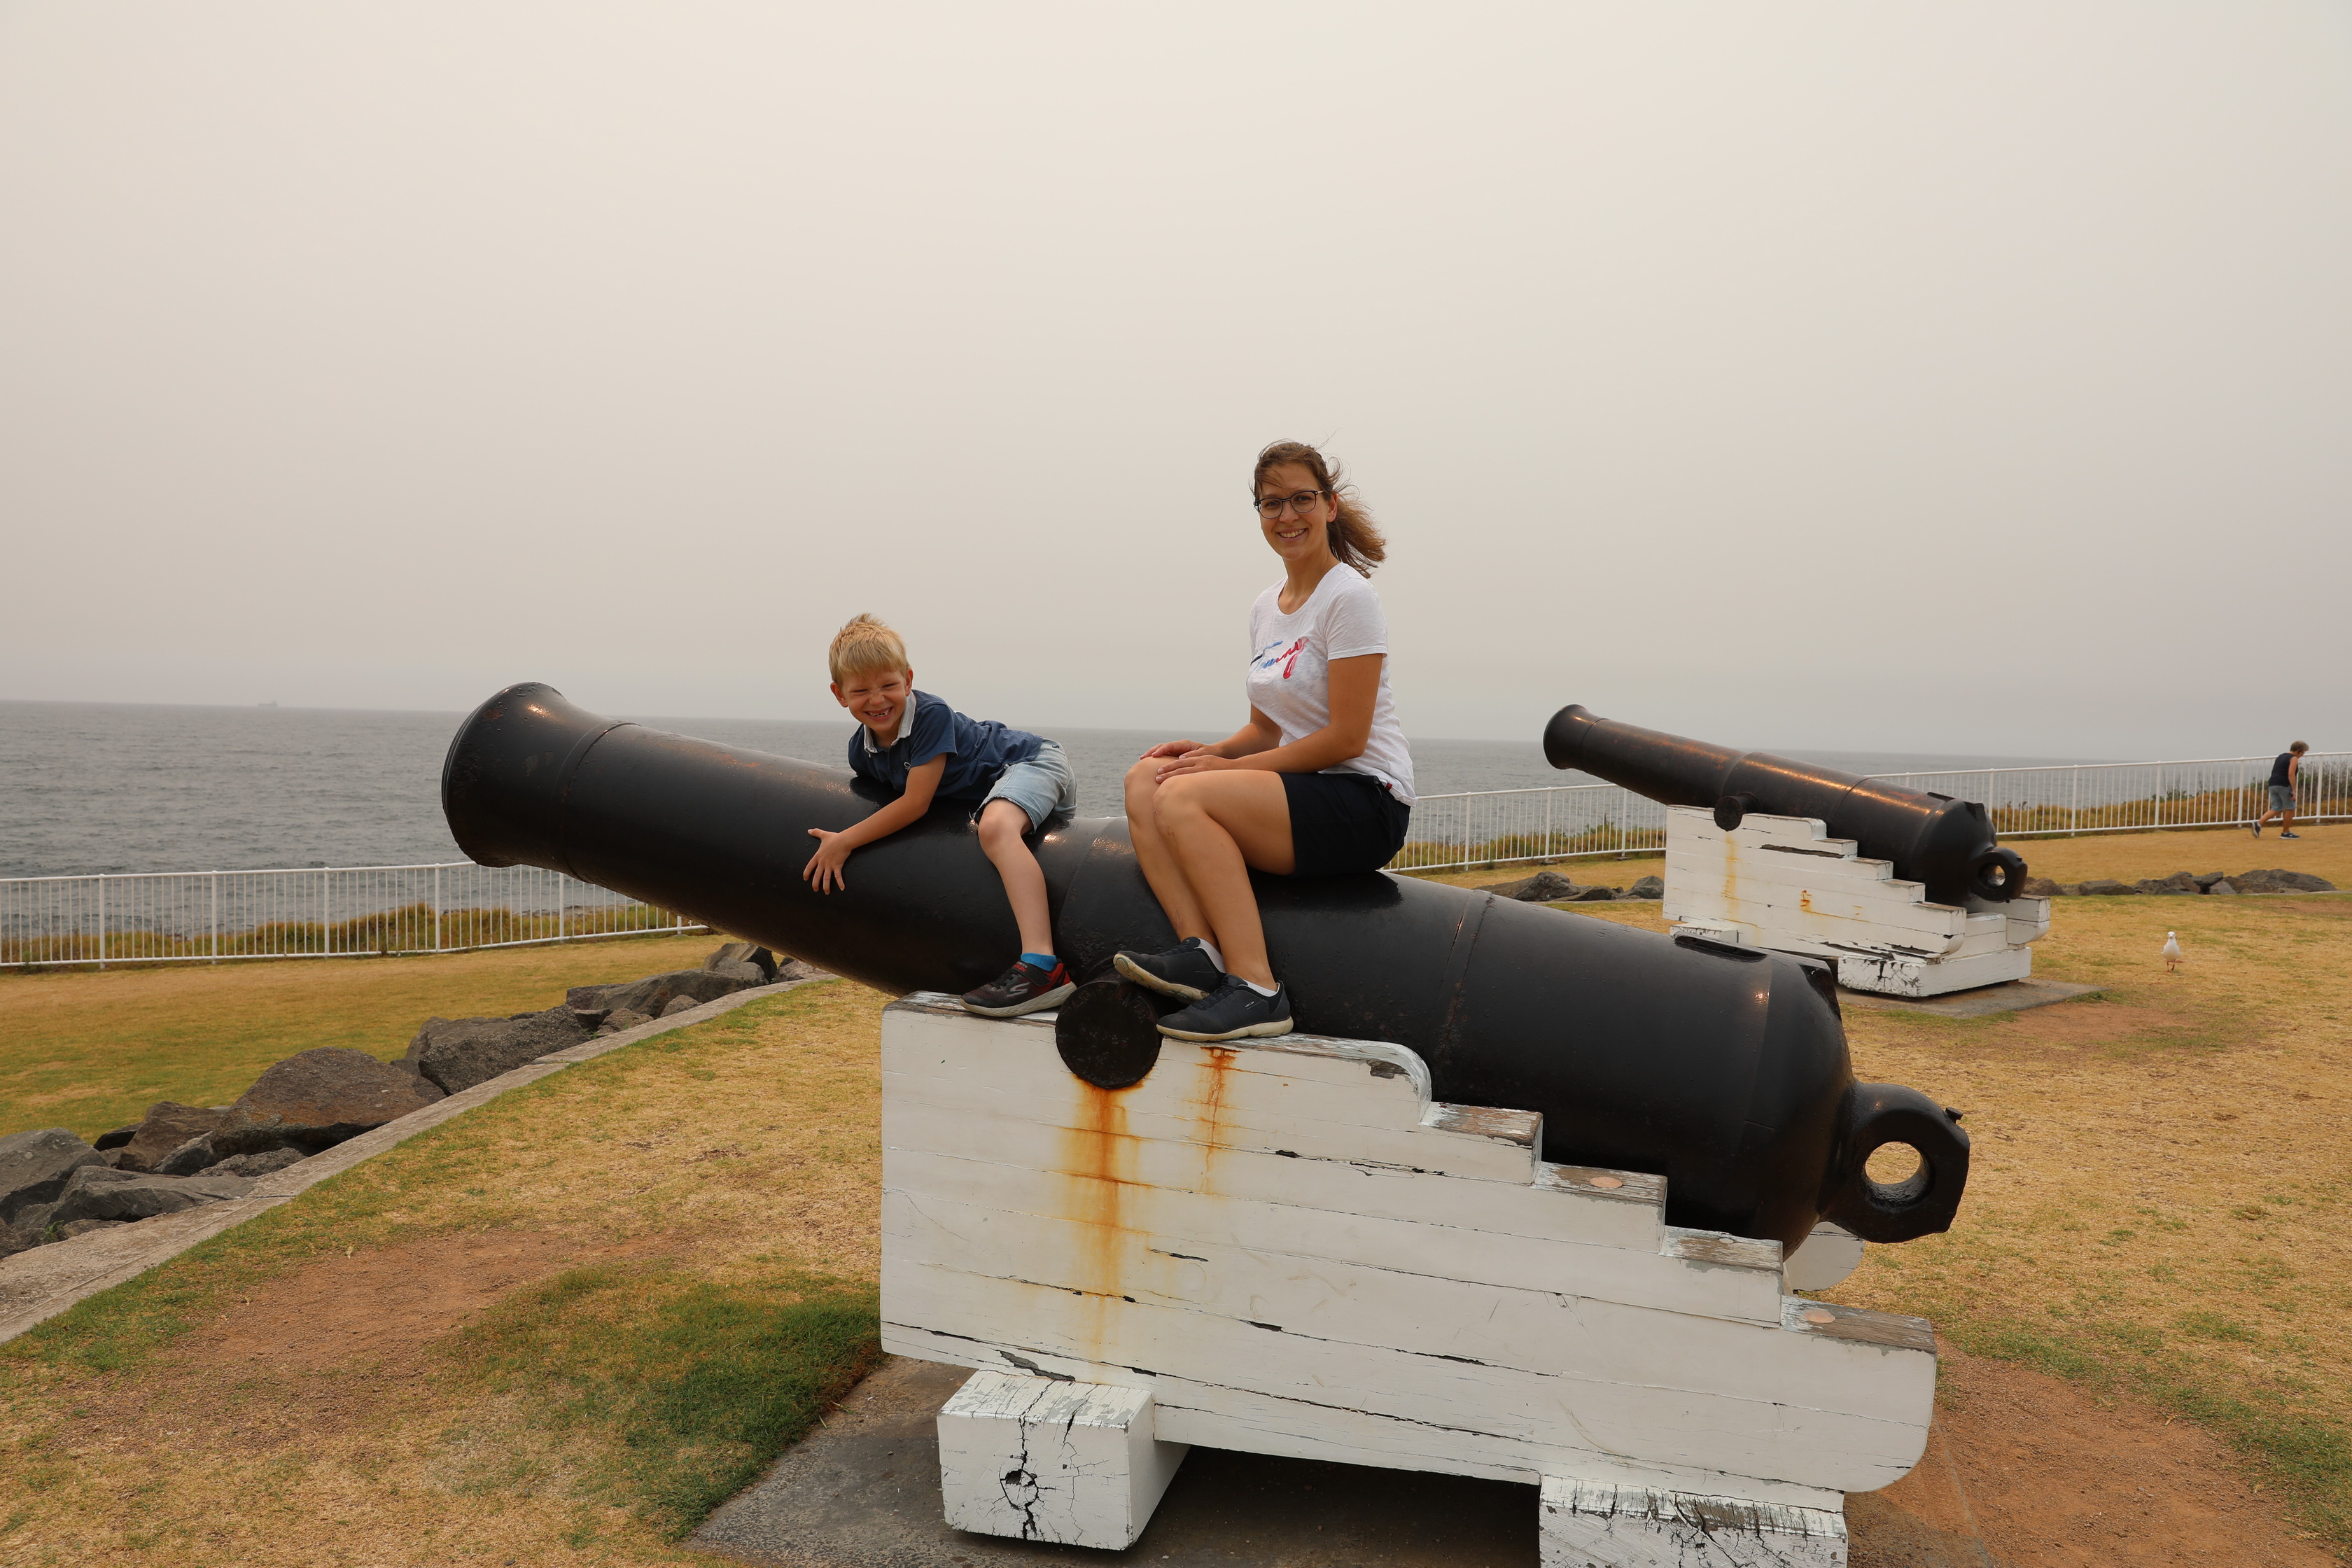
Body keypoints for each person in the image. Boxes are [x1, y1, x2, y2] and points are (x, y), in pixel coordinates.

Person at [1112, 441, 1415, 1042]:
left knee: (1183, 799)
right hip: (1303, 789)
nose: (1287, 515)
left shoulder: (1349, 597)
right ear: (1259, 515)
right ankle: (1202, 955)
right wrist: (1211, 754)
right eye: (1271, 503)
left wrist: (1213, 780)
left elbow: (1345, 739)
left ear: (1329, 506)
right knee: (1147, 779)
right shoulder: (1265, 608)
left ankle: (1257, 989)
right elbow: (1263, 730)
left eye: (1302, 498)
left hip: (1366, 798)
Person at [806, 613, 1079, 1016]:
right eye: (861, 690)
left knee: (997, 828)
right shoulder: (860, 752)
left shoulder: (930, 716)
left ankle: (1042, 967)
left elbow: (915, 804)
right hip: (994, 784)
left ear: (909, 681)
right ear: (839, 694)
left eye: (888, 686)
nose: (878, 700)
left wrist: (845, 840)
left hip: (1030, 762)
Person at [2253, 741, 2309, 839]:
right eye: (2303, 752)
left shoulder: (2281, 756)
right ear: (2298, 751)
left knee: (2276, 808)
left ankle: (2258, 824)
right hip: (2284, 785)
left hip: (2273, 784)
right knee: (2291, 808)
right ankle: (2285, 832)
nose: (2303, 755)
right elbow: (2291, 774)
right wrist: (2294, 790)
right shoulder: (2294, 758)